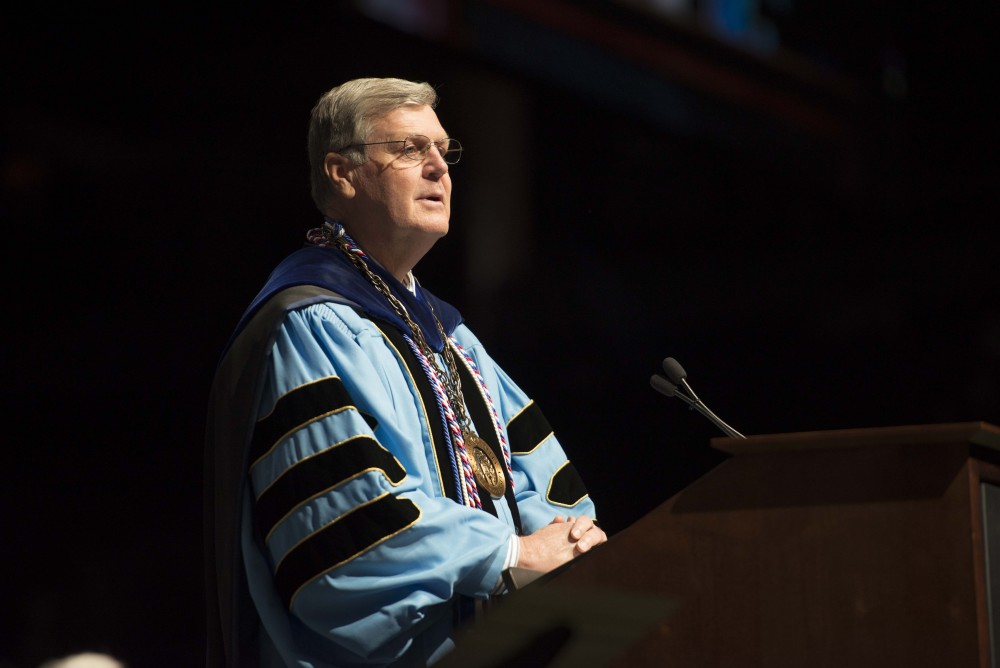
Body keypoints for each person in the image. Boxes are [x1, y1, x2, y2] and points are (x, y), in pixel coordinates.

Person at [204, 76, 607, 668]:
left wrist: (569, 541)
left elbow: (540, 481)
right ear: (342, 173)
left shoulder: (450, 336)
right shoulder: (309, 323)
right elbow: (350, 525)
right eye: (410, 149)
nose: (439, 168)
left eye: (445, 151)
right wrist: (508, 556)